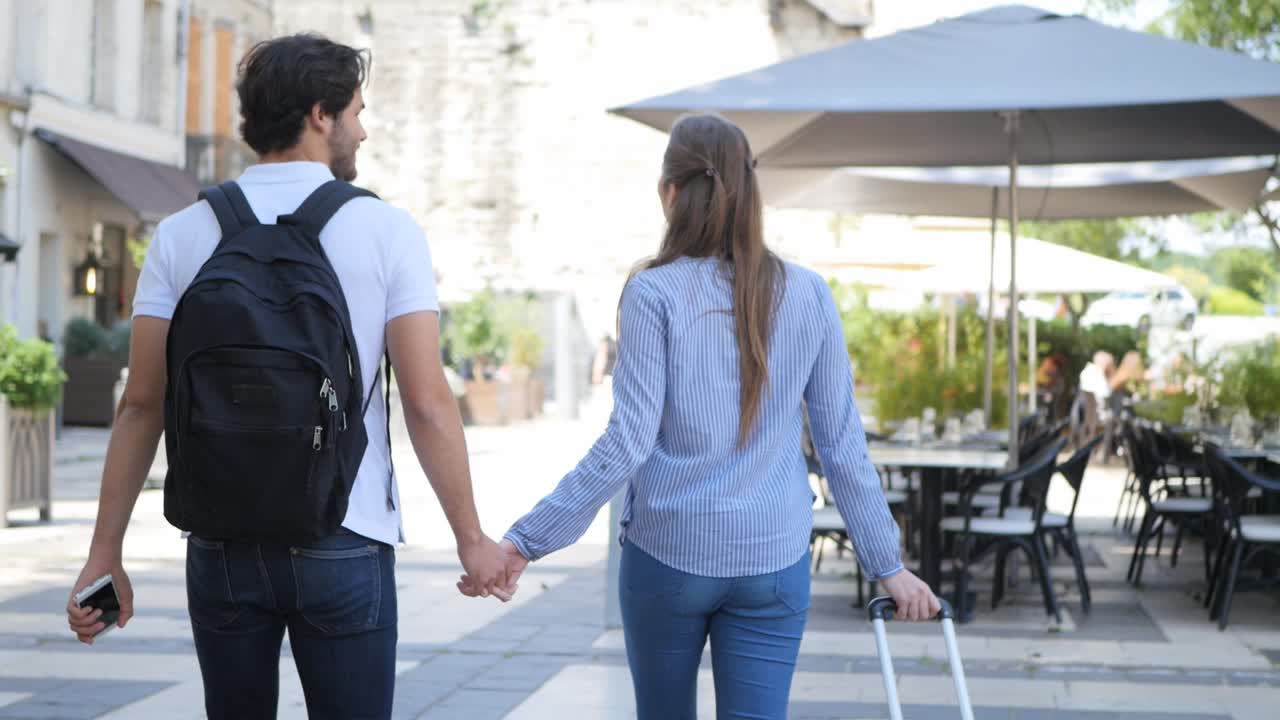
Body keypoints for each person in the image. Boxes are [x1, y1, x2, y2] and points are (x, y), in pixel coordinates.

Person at [65, 34, 510, 719]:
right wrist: (472, 539)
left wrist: (105, 552)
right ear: (319, 114)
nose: (362, 128)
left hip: (220, 540)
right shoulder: (387, 231)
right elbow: (426, 402)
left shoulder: (183, 234)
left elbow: (141, 404)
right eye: (357, 111)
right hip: (346, 533)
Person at [459, 114, 937, 718]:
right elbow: (842, 446)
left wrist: (527, 541)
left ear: (670, 193)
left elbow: (627, 444)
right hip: (773, 555)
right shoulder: (809, 293)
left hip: (668, 554)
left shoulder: (653, 292)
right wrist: (887, 565)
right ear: (750, 190)